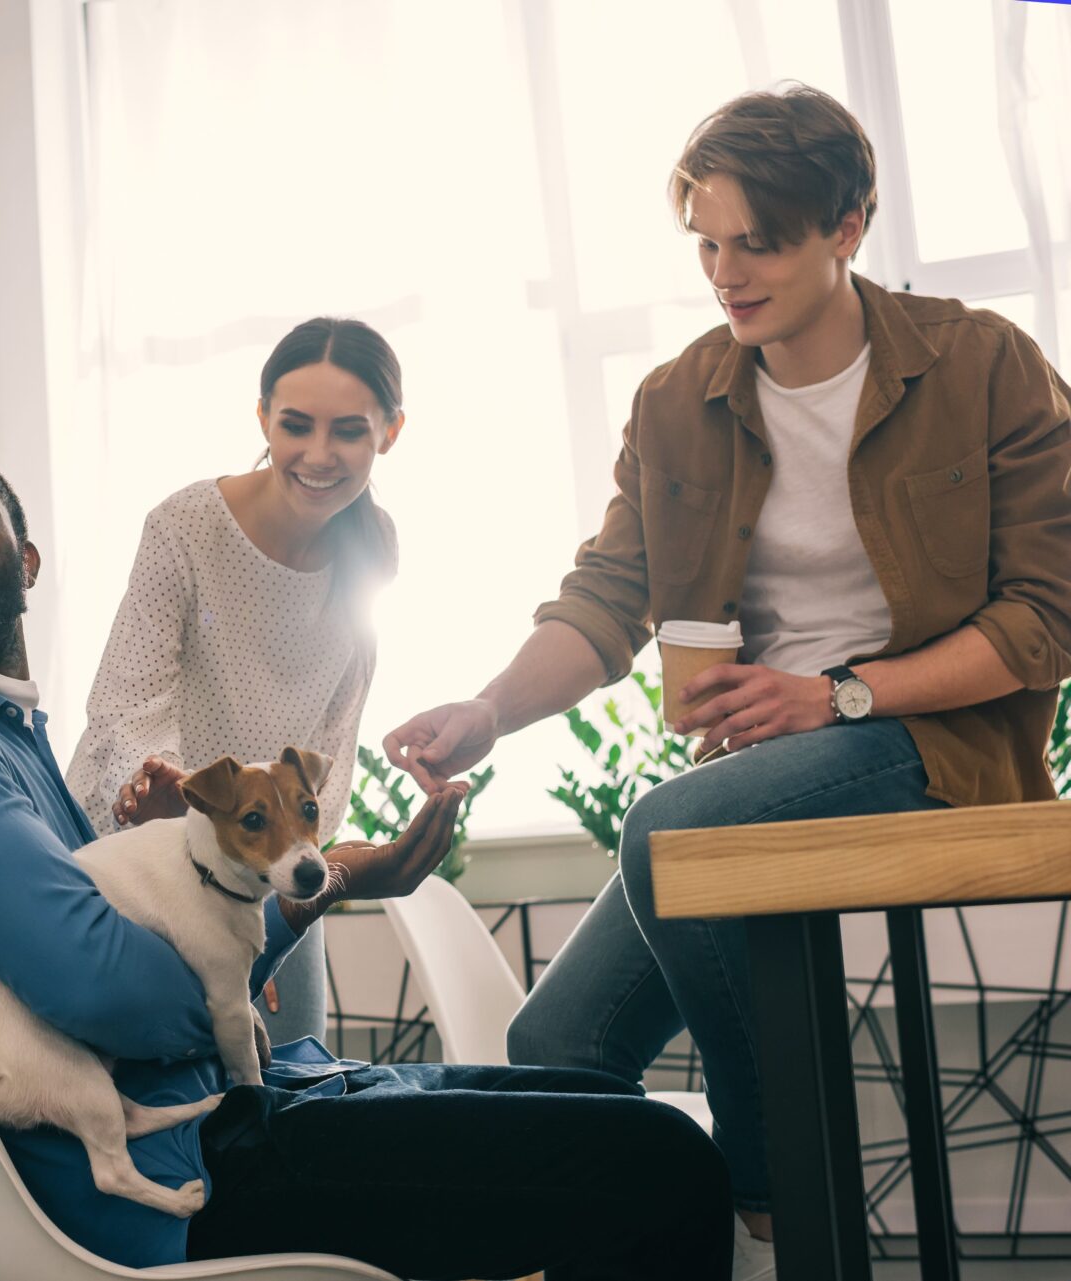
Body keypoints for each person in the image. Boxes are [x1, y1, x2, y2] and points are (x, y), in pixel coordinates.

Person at [383, 84, 1071, 1279]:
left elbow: (1051, 615)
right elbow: (608, 598)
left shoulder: (981, 363)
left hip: (934, 746)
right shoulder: (678, 403)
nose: (727, 272)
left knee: (669, 825)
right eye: (707, 242)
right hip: (762, 775)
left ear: (847, 227)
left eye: (758, 242)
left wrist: (841, 695)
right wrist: (489, 709)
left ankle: (777, 1189)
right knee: (556, 1043)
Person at [0, 449, 732, 1279]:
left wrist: (332, 878)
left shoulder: (11, 736)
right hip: (178, 1166)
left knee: (603, 1099)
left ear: (26, 561)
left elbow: (168, 963)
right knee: (662, 1161)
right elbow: (100, 985)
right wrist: (249, 964)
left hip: (230, 1106)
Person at [66, 317, 401, 1047]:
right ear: (263, 420)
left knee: (290, 1085)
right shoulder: (185, 526)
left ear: (390, 431)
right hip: (142, 845)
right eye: (295, 425)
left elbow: (333, 738)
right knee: (165, 1083)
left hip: (271, 858)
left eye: (348, 430)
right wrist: (210, 879)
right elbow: (128, 706)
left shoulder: (372, 548)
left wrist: (264, 894)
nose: (318, 454)